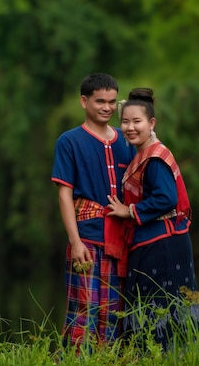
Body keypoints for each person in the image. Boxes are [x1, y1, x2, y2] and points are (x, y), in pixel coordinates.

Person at [106, 87, 199, 352]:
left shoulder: (155, 157)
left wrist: (129, 211)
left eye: (137, 121)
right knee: (154, 308)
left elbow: (166, 198)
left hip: (164, 244)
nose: (130, 127)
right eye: (125, 121)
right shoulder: (143, 155)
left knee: (162, 309)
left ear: (152, 123)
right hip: (154, 242)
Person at [51, 73, 136, 350]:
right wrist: (75, 242)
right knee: (83, 309)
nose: (107, 108)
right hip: (86, 237)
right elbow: (64, 194)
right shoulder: (69, 141)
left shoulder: (127, 140)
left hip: (121, 240)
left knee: (113, 311)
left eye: (112, 102)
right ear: (84, 101)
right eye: (100, 101)